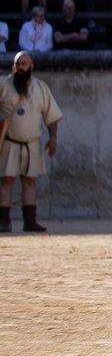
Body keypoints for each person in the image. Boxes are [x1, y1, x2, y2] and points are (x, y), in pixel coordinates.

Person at [0, 52, 62, 232]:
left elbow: (52, 115)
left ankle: (30, 221)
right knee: (6, 181)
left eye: (24, 64)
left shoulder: (40, 88)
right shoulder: (4, 84)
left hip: (32, 143)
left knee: (29, 181)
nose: (21, 67)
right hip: (9, 142)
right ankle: (3, 221)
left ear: (31, 66)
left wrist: (53, 138)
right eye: (18, 64)